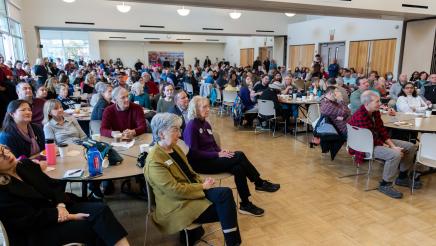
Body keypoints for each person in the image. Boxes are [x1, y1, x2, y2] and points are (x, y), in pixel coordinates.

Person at [0, 145, 130, 246]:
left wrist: (61, 205)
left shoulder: (25, 165)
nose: (6, 154)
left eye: (4, 150)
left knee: (101, 209)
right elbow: (28, 220)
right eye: (0, 156)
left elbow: (53, 187)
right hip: (38, 230)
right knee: (91, 226)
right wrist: (68, 216)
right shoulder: (2, 190)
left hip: (58, 208)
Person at [145, 113, 241, 246]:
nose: (179, 135)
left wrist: (201, 181)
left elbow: (189, 172)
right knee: (227, 207)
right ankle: (233, 243)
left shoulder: (175, 148)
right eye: (175, 130)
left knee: (226, 198)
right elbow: (174, 190)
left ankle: (232, 243)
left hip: (190, 193)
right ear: (161, 134)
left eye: (179, 129)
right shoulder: (155, 161)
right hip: (177, 204)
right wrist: (202, 187)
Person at [183, 96, 280, 217]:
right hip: (200, 164)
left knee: (238, 168)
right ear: (195, 109)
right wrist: (217, 154)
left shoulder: (206, 124)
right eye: (204, 107)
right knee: (239, 155)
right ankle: (259, 183)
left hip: (212, 159)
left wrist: (221, 151)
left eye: (208, 106)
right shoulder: (191, 126)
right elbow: (193, 153)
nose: (208, 109)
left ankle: (245, 204)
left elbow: (213, 144)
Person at [348, 90, 419, 199]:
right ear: (367, 104)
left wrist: (393, 146)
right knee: (394, 155)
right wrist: (391, 148)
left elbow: (381, 131)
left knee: (410, 146)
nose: (380, 103)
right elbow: (372, 139)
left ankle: (402, 177)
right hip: (364, 146)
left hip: (374, 141)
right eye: (377, 101)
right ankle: (385, 184)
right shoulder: (360, 116)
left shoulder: (375, 112)